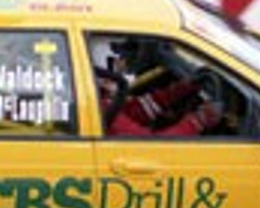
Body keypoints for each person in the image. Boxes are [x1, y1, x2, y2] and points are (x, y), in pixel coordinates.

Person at [93, 37, 222, 137]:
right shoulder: (98, 113)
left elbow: (134, 111)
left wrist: (179, 90)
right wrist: (198, 121)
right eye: (119, 63)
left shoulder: (97, 103)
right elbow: (156, 146)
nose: (123, 66)